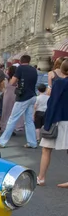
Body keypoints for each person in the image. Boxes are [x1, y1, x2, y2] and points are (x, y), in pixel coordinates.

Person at [37, 59, 68, 188]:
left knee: (46, 149)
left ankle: (41, 177)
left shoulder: (60, 83)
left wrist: (47, 123)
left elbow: (52, 104)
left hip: (58, 120)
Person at [0, 55, 39, 149]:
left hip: (23, 97)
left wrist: (18, 83)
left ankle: (2, 141)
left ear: (20, 61)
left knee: (12, 119)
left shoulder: (20, 68)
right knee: (29, 121)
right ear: (29, 60)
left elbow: (12, 82)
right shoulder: (33, 69)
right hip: (32, 96)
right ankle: (32, 142)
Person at [0, 65, 25, 135]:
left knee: (6, 112)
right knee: (14, 112)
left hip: (7, 96)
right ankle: (15, 127)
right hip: (16, 96)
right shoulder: (18, 79)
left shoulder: (6, 80)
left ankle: (4, 127)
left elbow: (2, 88)